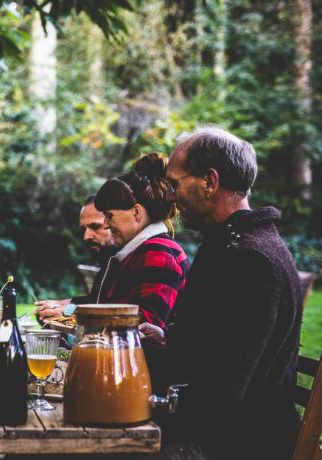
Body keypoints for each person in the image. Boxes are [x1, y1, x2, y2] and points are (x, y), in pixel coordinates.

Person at [148, 126, 302, 459]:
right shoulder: (233, 245)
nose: (171, 197)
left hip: (236, 445)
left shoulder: (249, 259)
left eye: (175, 184)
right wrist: (160, 342)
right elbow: (206, 349)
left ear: (209, 181)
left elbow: (220, 393)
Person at [89, 152, 190, 329]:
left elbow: (144, 327)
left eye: (109, 216)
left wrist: (78, 314)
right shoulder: (140, 251)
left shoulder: (159, 252)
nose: (105, 225)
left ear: (136, 212)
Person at [35, 195, 118, 323]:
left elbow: (116, 311)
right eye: (84, 229)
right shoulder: (109, 261)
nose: (86, 236)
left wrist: (68, 309)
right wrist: (61, 303)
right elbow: (96, 300)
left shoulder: (129, 261)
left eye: (95, 226)